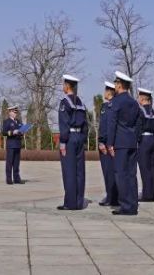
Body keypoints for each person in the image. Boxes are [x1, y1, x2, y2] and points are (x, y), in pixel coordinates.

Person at [107, 71, 142, 215]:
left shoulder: (116, 101)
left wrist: (110, 143)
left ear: (120, 85)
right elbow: (139, 122)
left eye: (116, 83)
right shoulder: (134, 102)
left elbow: (112, 123)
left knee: (120, 174)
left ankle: (126, 206)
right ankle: (133, 204)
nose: (114, 86)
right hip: (132, 142)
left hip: (120, 142)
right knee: (131, 174)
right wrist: (136, 137)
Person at [57, 74, 87, 210]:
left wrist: (62, 142)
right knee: (80, 171)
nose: (63, 87)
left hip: (69, 138)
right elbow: (86, 125)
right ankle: (79, 202)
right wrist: (83, 139)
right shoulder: (80, 102)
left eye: (64, 84)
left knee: (69, 171)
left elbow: (64, 124)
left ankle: (70, 203)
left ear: (67, 86)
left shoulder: (64, 102)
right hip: (80, 137)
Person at [98, 82, 119, 206]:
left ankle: (111, 197)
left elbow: (105, 126)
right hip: (115, 142)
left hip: (107, 144)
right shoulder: (116, 105)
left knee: (108, 172)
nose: (104, 93)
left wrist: (102, 141)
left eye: (105, 91)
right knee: (114, 171)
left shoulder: (107, 106)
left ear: (109, 92)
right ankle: (114, 196)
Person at [136, 88, 154, 203]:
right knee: (152, 167)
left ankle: (147, 195)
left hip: (144, 140)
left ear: (143, 98)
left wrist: (137, 140)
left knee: (145, 168)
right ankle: (153, 192)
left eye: (139, 97)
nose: (138, 99)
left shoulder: (141, 111)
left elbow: (138, 128)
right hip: (153, 139)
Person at [1, 105, 24, 184]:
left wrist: (22, 131)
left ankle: (17, 179)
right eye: (14, 112)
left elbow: (21, 131)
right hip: (11, 145)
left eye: (16, 112)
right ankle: (9, 179)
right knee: (9, 162)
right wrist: (12, 132)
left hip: (18, 144)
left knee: (16, 163)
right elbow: (3, 132)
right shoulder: (7, 122)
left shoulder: (18, 121)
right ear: (10, 112)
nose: (15, 114)